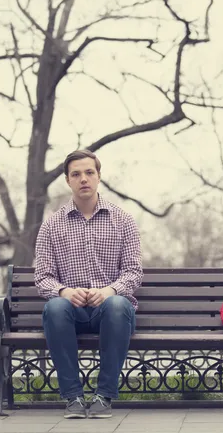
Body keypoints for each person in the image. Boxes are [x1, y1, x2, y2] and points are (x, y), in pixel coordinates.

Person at [34, 149, 143, 419]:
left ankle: (104, 396)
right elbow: (42, 277)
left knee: (117, 304)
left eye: (89, 172)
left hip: (113, 313)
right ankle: (73, 397)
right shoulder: (51, 226)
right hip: (72, 314)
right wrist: (64, 291)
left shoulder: (123, 220)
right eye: (76, 174)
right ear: (68, 180)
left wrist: (108, 291)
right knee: (55, 307)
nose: (83, 179)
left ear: (98, 177)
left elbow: (133, 272)